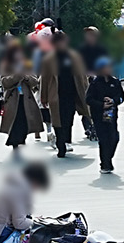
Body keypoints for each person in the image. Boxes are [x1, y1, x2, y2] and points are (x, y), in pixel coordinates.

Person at [38, 29, 90, 159]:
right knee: (57, 119)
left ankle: (66, 140)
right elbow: (44, 79)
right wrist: (43, 96)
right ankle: (61, 144)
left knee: (68, 118)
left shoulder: (74, 56)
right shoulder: (49, 59)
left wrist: (86, 92)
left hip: (72, 92)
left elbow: (83, 76)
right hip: (55, 94)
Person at [0, 160, 48, 243]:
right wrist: (37, 222)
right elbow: (19, 223)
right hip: (0, 238)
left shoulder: (12, 184)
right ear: (35, 181)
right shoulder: (19, 192)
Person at [0, 46, 43, 155]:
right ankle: (14, 143)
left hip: (26, 98)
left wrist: (26, 77)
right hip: (13, 99)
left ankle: (21, 139)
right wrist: (16, 76)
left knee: (25, 121)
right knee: (14, 122)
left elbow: (35, 81)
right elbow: (4, 82)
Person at [86, 56, 124, 173]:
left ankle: (108, 158)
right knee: (103, 139)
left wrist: (113, 101)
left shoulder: (115, 82)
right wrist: (101, 105)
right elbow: (88, 99)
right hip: (98, 116)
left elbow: (121, 96)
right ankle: (105, 164)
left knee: (114, 137)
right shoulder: (95, 83)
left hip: (111, 115)